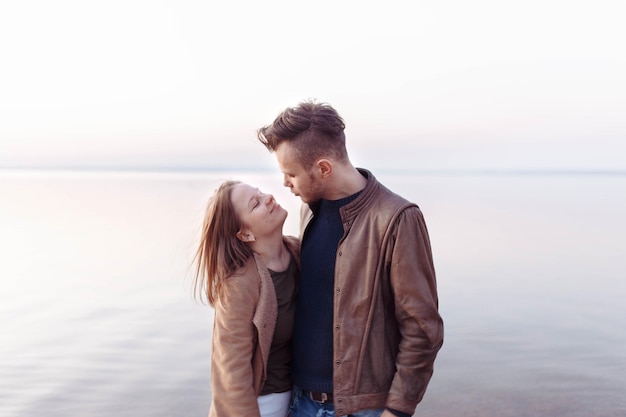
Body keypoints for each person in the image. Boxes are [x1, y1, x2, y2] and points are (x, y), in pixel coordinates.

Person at [257, 100, 443, 417]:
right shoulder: (308, 209)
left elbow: (422, 329)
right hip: (300, 401)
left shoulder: (397, 218)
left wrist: (397, 410)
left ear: (324, 169)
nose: (285, 183)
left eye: (291, 174)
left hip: (361, 410)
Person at [193, 180, 300, 417]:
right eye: (256, 203)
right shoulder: (238, 286)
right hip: (261, 407)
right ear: (245, 233)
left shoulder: (298, 252)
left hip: (300, 401)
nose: (269, 197)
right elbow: (231, 373)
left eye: (261, 193)